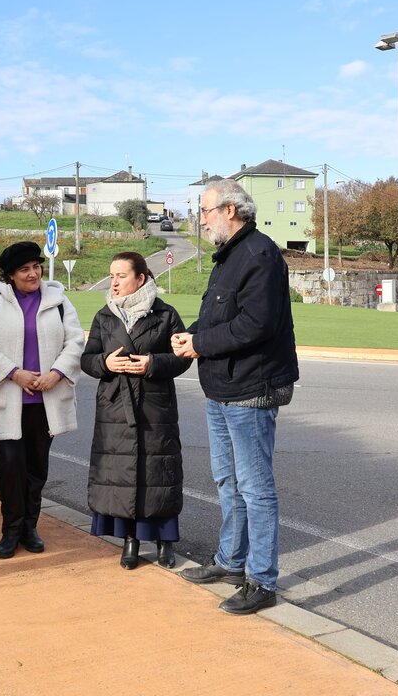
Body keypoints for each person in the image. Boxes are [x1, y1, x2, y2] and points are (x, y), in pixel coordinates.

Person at [172, 179, 299, 615]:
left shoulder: (258, 254)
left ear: (230, 210)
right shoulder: (228, 256)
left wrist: (201, 344)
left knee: (255, 487)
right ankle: (231, 561)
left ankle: (261, 581)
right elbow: (218, 315)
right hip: (222, 387)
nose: (201, 220)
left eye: (204, 211)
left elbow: (256, 325)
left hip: (251, 388)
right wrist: (191, 335)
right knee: (228, 480)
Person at [0, 241, 84, 559]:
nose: (33, 274)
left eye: (36, 266)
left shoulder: (58, 299)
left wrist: (57, 373)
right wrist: (13, 373)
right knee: (9, 468)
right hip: (6, 401)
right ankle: (11, 529)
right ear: (9, 275)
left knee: (36, 469)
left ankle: (30, 527)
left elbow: (76, 340)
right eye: (24, 269)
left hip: (44, 402)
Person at [81, 252, 192, 570]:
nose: (113, 282)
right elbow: (87, 358)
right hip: (115, 407)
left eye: (121, 276)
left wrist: (153, 363)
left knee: (159, 473)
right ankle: (130, 540)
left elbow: (183, 356)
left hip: (154, 406)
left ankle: (165, 542)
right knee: (123, 475)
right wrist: (105, 363)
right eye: (111, 275)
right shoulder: (105, 315)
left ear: (140, 278)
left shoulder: (165, 314)